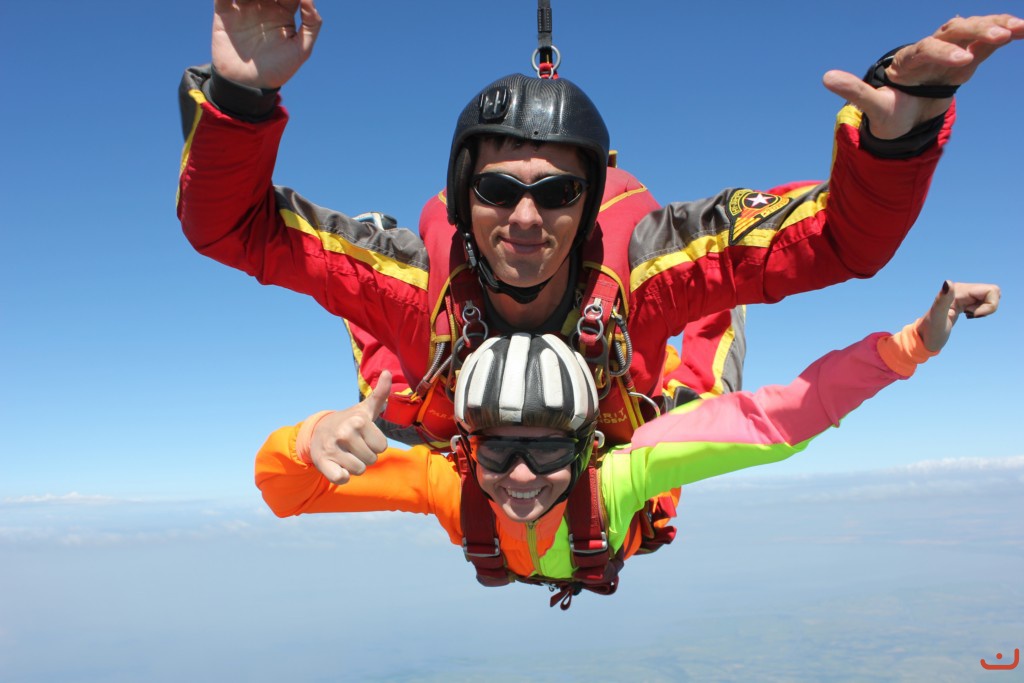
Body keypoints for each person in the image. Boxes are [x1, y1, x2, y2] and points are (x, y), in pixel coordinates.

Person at [177, 2, 1022, 451]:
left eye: (559, 193)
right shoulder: (414, 280)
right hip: (460, 441)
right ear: (462, 195)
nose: (525, 217)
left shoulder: (650, 267)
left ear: (590, 203)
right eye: (498, 188)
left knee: (700, 386)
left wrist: (896, 140)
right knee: (392, 380)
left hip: (630, 428)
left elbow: (841, 243)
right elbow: (231, 228)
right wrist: (242, 95)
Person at [255, 280, 999, 608]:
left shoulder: (619, 475)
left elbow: (776, 423)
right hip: (597, 527)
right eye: (498, 451)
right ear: (469, 447)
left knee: (701, 386)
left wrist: (911, 345)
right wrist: (311, 438)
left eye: (549, 452)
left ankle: (702, 283)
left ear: (585, 448)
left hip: (639, 437)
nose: (520, 475)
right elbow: (284, 491)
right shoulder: (450, 482)